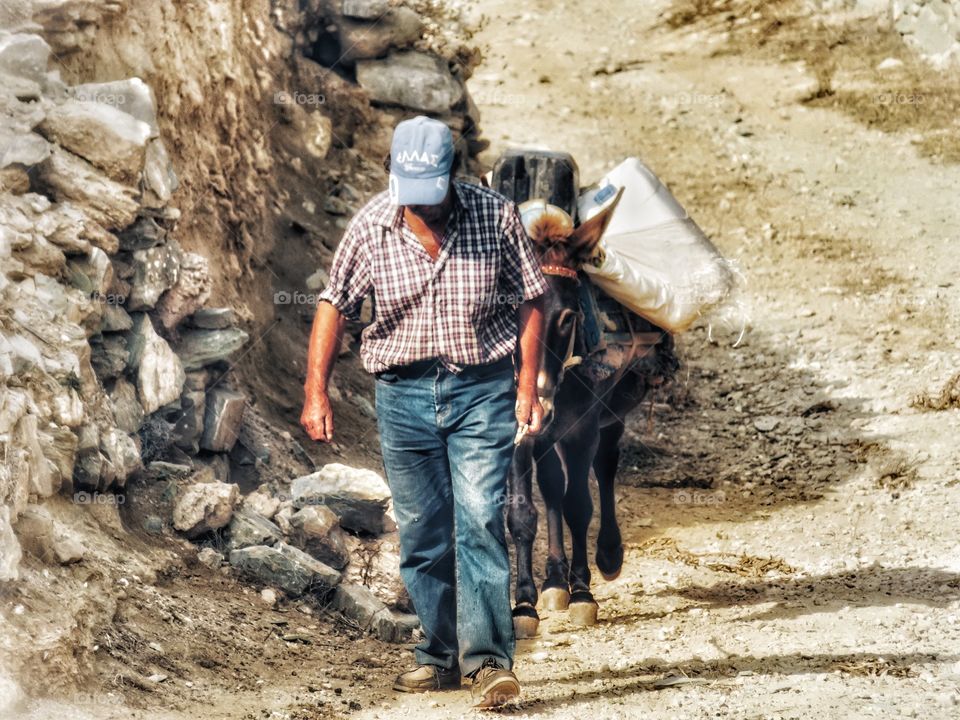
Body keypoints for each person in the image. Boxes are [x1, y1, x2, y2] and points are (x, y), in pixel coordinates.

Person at [300, 116, 548, 708]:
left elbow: (533, 298)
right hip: (403, 395)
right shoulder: (371, 227)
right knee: (422, 532)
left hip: (480, 389)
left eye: (431, 195)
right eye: (411, 195)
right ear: (392, 175)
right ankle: (438, 655)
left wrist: (526, 386)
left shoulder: (494, 217)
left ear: (452, 176)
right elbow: (334, 304)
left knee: (480, 519)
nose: (421, 208)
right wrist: (316, 391)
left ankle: (488, 663)